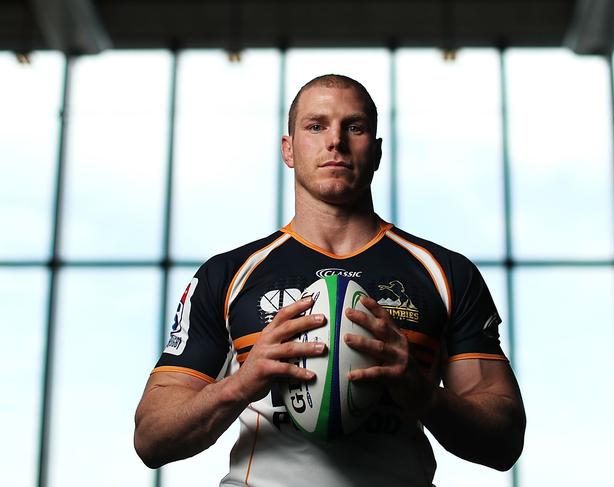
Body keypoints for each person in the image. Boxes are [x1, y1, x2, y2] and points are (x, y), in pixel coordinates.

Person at [134, 74, 526, 486]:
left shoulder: (445, 273)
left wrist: (424, 394)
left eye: (353, 127)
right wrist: (241, 384)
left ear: (375, 153)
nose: (334, 141)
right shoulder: (228, 273)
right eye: (315, 126)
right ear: (288, 150)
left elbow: (504, 442)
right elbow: (152, 437)